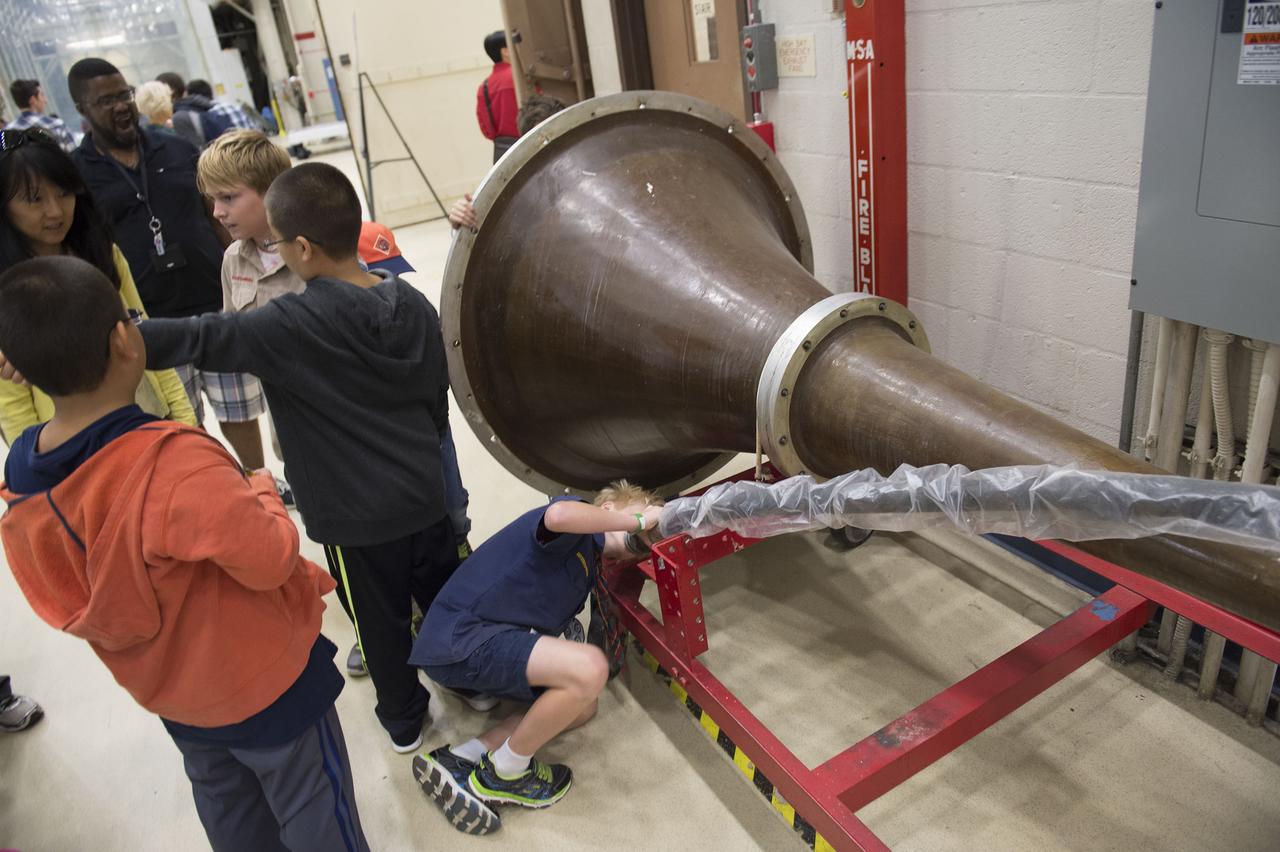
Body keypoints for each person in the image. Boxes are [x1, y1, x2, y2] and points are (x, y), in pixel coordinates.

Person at [0, 255, 368, 851]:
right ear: (126, 338)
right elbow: (271, 558)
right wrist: (261, 488)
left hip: (173, 694)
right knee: (312, 806)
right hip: (266, 686)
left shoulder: (24, 473)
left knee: (229, 808)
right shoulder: (173, 463)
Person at [135, 162, 462, 754]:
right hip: (423, 496)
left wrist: (111, 340)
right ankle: (472, 680)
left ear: (303, 249)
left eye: (281, 245)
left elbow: (198, 337)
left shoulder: (286, 325)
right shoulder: (412, 304)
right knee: (445, 595)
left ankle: (405, 720)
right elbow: (435, 402)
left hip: (353, 520)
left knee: (379, 624)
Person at [408, 483, 663, 833]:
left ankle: (464, 757)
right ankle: (507, 772)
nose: (643, 532)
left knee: (583, 704)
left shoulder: (586, 568)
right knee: (590, 667)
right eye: (641, 516)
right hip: (461, 637)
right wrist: (636, 519)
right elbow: (558, 516)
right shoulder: (572, 529)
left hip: (483, 644)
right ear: (606, 512)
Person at [66, 58, 270, 479]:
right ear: (80, 107)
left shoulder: (175, 146)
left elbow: (215, 215)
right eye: (105, 100)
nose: (121, 106)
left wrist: (245, 264)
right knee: (179, 422)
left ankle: (257, 478)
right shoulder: (77, 173)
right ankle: (207, 487)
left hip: (212, 301)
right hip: (148, 320)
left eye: (124, 94)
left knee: (239, 406)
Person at [0, 126, 195, 443]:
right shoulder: (8, 291)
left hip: (147, 420)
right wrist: (35, 464)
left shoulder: (102, 253)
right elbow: (10, 401)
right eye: (34, 199)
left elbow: (140, 331)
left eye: (64, 193)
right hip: (72, 450)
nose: (55, 211)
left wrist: (185, 420)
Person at [449, 94, 567, 231]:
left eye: (557, 135)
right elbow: (483, 228)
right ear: (527, 143)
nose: (550, 147)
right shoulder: (517, 190)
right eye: (543, 140)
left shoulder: (591, 170)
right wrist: (463, 216)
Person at [476, 30, 518, 163]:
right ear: (505, 51)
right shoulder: (520, 78)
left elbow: (486, 129)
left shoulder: (484, 87)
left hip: (502, 156)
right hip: (530, 148)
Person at [5, 80, 76, 153]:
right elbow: (73, 156)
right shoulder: (55, 125)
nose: (45, 100)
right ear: (32, 100)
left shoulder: (7, 133)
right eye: (42, 95)